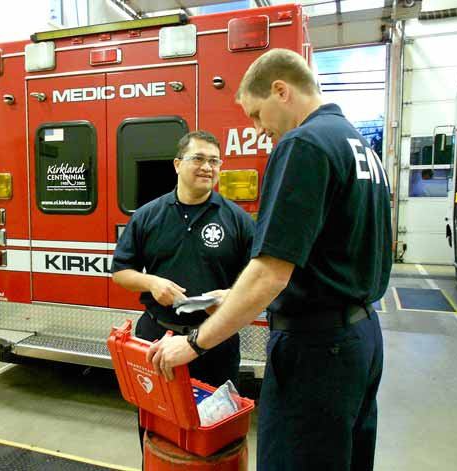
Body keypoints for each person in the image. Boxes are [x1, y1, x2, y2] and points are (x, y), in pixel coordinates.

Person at [147, 49, 392, 471]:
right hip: (361, 339)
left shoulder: (303, 144)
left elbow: (269, 274)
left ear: (281, 90)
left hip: (317, 351)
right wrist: (233, 295)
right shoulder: (358, 145)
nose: (259, 130)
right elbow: (332, 254)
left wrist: (193, 343)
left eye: (257, 114)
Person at [111, 130, 255, 446]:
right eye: (199, 159)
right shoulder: (149, 215)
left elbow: (257, 281)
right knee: (157, 430)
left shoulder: (237, 220)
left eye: (215, 161)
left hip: (215, 342)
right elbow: (120, 272)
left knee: (215, 430)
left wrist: (231, 296)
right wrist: (151, 282)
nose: (208, 167)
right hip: (157, 340)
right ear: (177, 165)